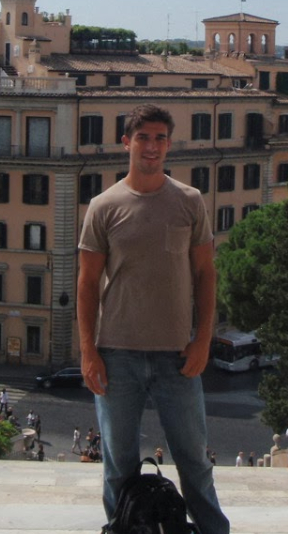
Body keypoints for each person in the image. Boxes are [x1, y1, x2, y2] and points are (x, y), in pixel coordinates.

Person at [78, 104, 228, 534]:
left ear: (169, 144)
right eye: (143, 137)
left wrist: (203, 340)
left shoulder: (189, 201)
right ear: (126, 142)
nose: (152, 146)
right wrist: (89, 351)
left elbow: (205, 273)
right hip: (116, 353)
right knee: (117, 463)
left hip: (177, 354)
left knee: (194, 459)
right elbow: (88, 284)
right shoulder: (104, 206)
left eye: (160, 138)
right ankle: (122, 529)